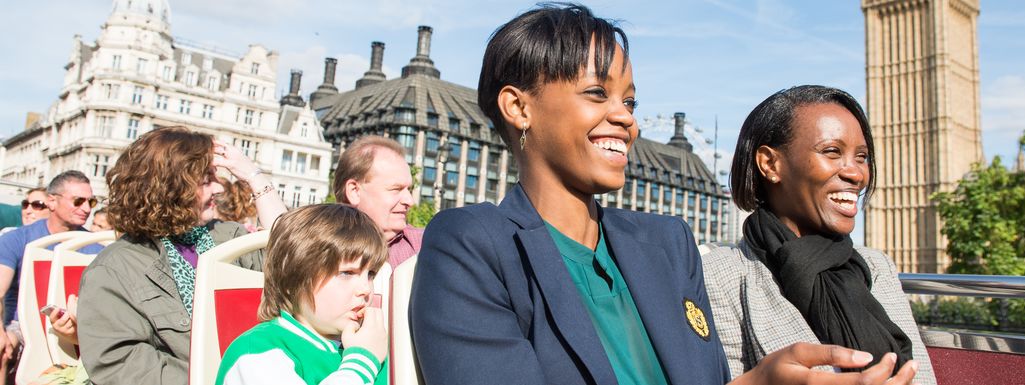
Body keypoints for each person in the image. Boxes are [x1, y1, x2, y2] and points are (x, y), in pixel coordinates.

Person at [410, 5, 916, 385]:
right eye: (596, 93)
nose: (626, 116)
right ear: (519, 108)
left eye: (629, 99)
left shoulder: (667, 243)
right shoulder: (471, 243)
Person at [701, 85, 935, 384]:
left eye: (862, 157)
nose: (856, 173)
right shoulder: (719, 276)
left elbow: (923, 377)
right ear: (770, 164)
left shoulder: (876, 266)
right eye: (832, 152)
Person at [77, 126, 285, 385]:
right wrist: (215, 378)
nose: (220, 189)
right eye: (208, 179)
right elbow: (121, 364)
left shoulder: (228, 237)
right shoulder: (113, 270)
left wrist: (253, 176)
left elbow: (289, 257)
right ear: (171, 186)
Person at [216, 204, 389, 385]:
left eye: (370, 275)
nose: (365, 289)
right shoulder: (257, 352)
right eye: (346, 273)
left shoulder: (371, 344)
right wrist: (362, 362)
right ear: (293, 278)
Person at [0, 171, 102, 376]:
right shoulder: (17, 239)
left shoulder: (98, 249)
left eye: (91, 202)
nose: (86, 209)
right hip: (22, 325)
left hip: (77, 326)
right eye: (78, 201)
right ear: (52, 202)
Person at [334, 136, 422, 268]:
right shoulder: (312, 248)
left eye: (408, 189)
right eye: (396, 189)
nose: (409, 201)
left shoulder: (426, 247)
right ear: (354, 191)